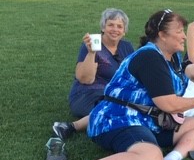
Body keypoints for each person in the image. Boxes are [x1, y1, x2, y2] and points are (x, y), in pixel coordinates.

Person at [53, 9, 194, 160]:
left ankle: (172, 159)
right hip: (119, 118)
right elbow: (167, 103)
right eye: (179, 31)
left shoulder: (173, 58)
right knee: (152, 159)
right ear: (162, 35)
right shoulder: (150, 57)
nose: (184, 36)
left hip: (149, 120)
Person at [53, 9, 135, 141]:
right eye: (110, 25)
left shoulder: (127, 47)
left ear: (124, 31)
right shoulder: (91, 46)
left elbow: (132, 74)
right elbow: (85, 79)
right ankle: (70, 127)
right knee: (119, 107)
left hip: (113, 94)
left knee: (133, 105)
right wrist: (92, 53)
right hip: (87, 94)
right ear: (103, 27)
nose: (115, 29)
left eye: (119, 26)